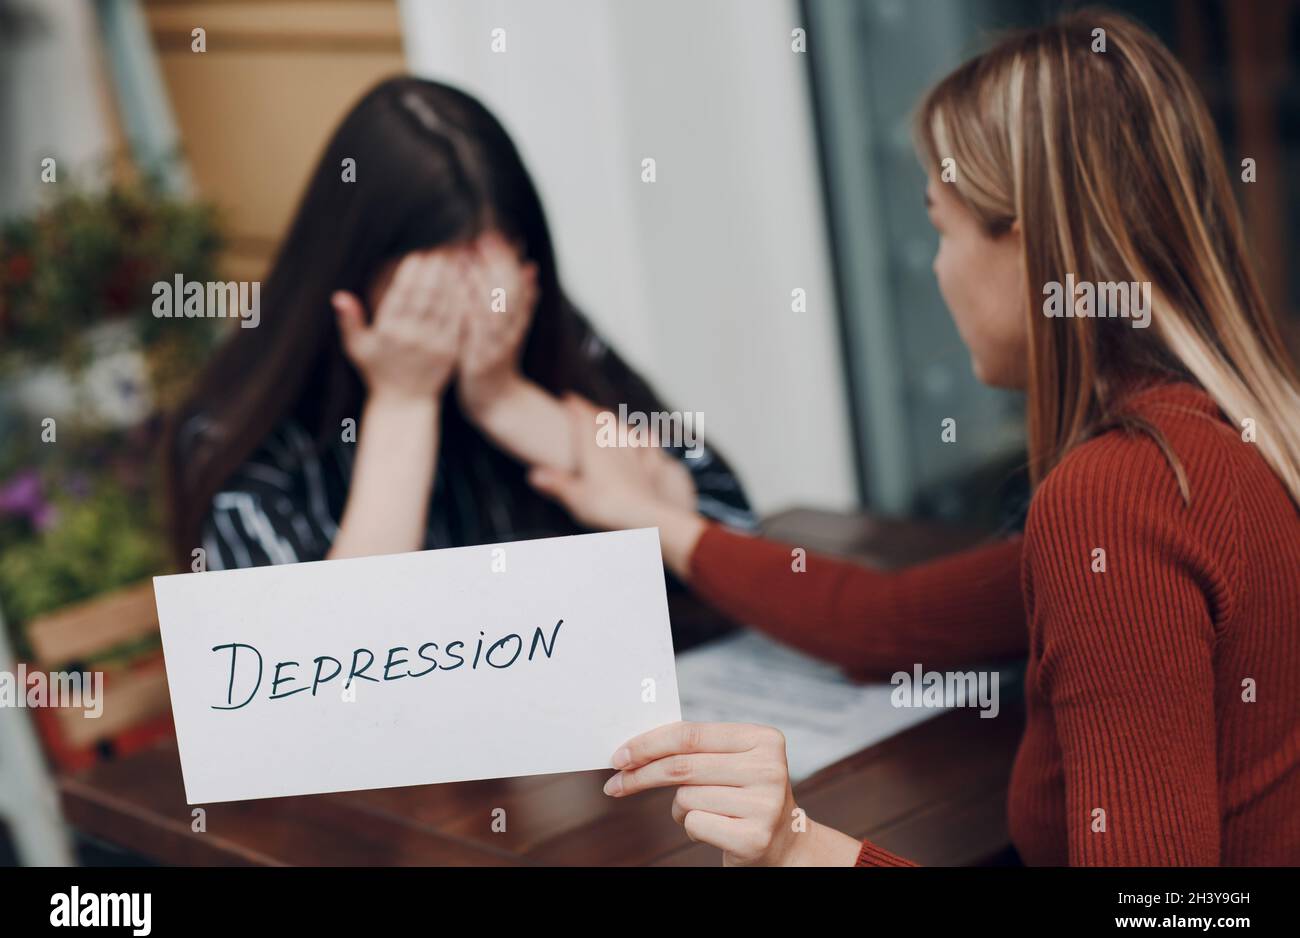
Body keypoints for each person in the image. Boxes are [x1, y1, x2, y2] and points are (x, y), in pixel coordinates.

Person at [528, 10, 1300, 865]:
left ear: (1030, 245)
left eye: (941, 225)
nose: (935, 268)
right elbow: (888, 626)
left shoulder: (1116, 498)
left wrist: (798, 847)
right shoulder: (1226, 440)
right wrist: (663, 522)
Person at [163, 77, 753, 648]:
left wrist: (508, 400)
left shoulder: (544, 337)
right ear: (352, 275)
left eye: (491, 278)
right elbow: (316, 668)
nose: (474, 313)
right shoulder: (242, 434)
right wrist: (404, 403)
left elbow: (728, 533)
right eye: (433, 291)